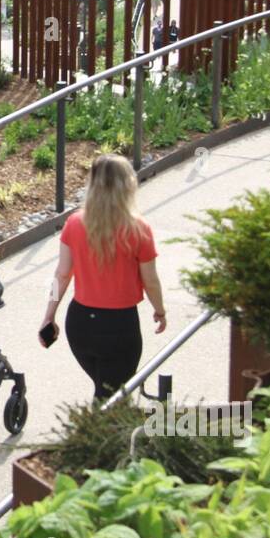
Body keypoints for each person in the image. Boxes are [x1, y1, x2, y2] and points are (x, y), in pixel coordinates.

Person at [39, 155, 167, 401]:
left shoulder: (75, 223)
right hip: (119, 326)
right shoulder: (138, 228)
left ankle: (103, 432)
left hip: (80, 324)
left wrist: (49, 315)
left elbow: (61, 275)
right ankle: (93, 437)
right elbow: (150, 280)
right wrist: (159, 311)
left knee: (105, 391)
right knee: (111, 397)